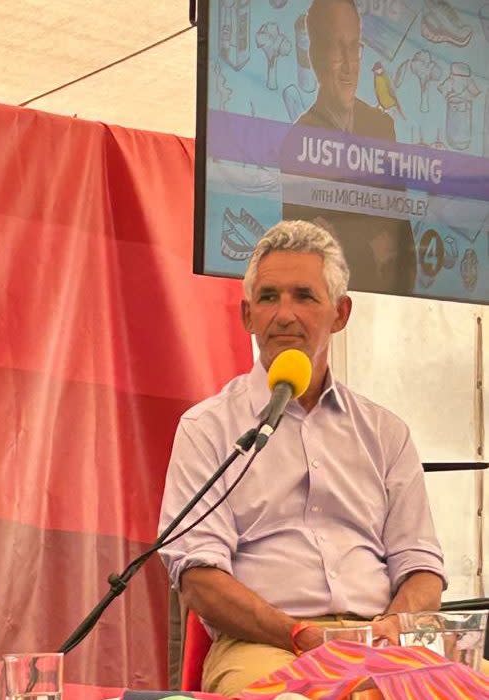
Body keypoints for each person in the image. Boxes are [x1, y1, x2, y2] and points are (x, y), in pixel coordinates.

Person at [158, 220, 445, 697]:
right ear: (247, 316)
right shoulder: (207, 428)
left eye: (304, 297)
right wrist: (301, 635)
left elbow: (421, 567)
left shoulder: (385, 432)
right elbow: (199, 579)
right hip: (265, 646)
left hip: (382, 645)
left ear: (341, 313)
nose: (284, 315)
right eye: (268, 298)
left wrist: (393, 627)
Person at [281, 0, 417, 295]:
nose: (348, 63)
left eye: (354, 47)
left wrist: (344, 237)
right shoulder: (297, 143)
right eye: (335, 47)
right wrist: (373, 246)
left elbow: (403, 240)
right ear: (315, 56)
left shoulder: (382, 128)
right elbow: (308, 257)